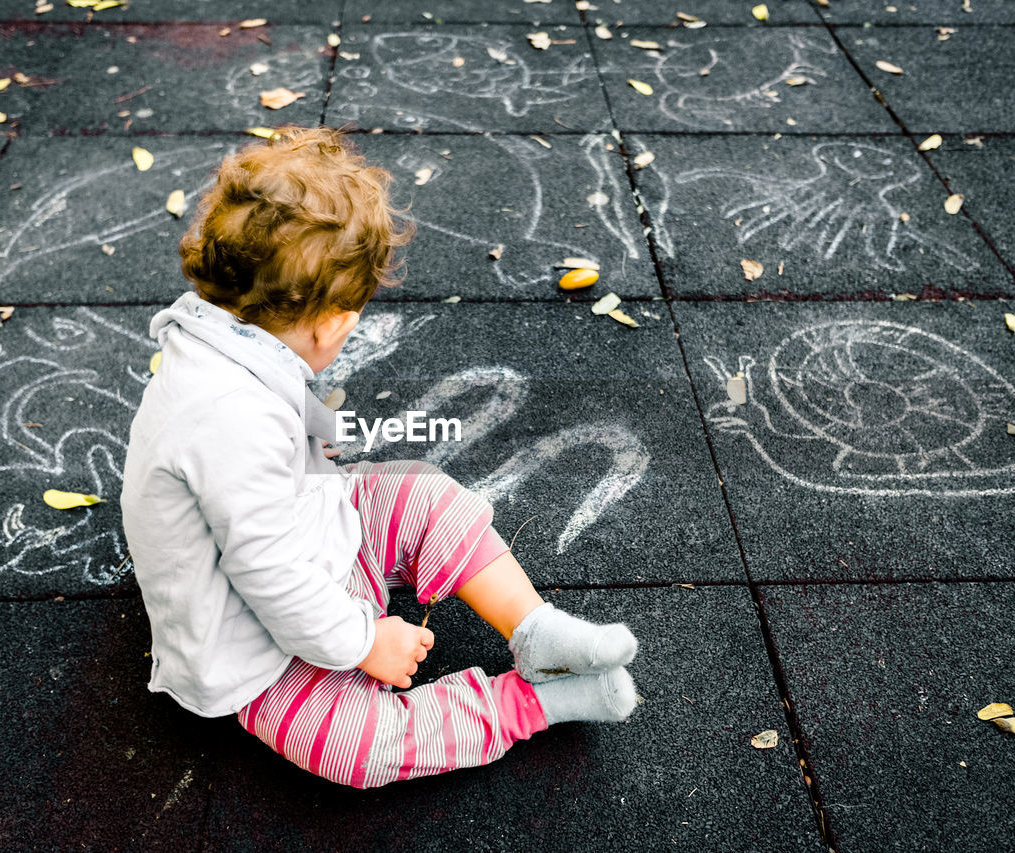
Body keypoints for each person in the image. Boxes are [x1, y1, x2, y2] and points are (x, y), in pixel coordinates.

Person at [120, 126, 637, 790]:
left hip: (314, 536)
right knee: (352, 749)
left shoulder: (219, 331)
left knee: (426, 493)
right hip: (256, 642)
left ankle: (536, 629)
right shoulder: (228, 423)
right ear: (333, 322)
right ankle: (530, 703)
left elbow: (267, 425)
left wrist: (313, 441)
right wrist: (366, 642)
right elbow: (270, 576)